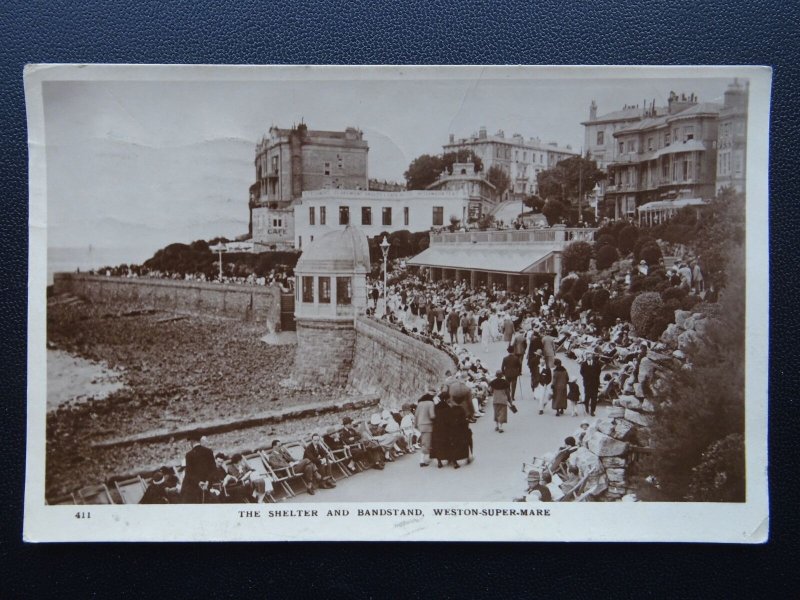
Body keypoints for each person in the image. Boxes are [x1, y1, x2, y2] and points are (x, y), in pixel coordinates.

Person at [179, 433, 217, 504]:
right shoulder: (209, 451)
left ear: (192, 442)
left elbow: (189, 473)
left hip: (195, 489)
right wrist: (207, 481)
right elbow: (214, 469)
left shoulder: (189, 455)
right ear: (199, 441)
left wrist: (199, 482)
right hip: (208, 486)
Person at [414, 392, 436, 467]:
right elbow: (432, 415)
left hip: (420, 426)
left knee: (424, 442)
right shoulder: (430, 403)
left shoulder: (420, 404)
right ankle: (423, 460)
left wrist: (415, 425)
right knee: (426, 443)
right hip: (428, 425)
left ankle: (424, 459)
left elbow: (416, 415)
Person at [580, 351, 602, 417]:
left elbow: (599, 371)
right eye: (587, 357)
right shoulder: (583, 364)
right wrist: (586, 377)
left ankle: (592, 411)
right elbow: (582, 372)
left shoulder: (596, 363)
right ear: (586, 357)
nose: (589, 358)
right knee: (587, 396)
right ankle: (586, 407)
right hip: (587, 383)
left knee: (594, 398)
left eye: (590, 356)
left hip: (595, 383)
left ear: (592, 357)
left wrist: (595, 376)